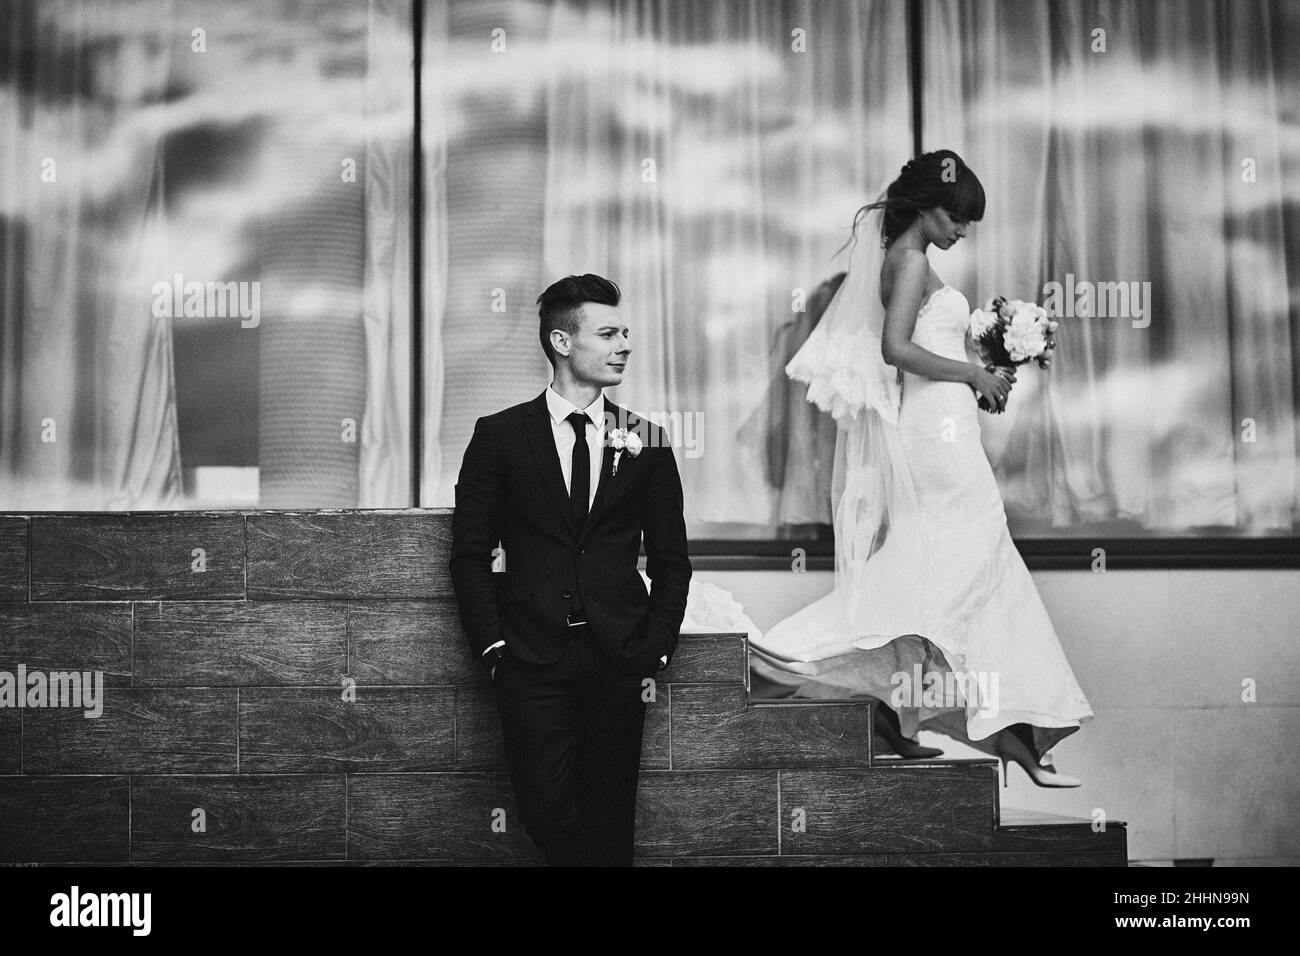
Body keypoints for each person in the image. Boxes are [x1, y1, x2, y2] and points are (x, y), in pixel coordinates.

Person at [750, 151, 1093, 788]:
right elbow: (896, 349)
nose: (962, 229)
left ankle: (918, 713)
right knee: (967, 554)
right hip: (934, 432)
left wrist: (985, 356)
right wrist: (970, 371)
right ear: (921, 208)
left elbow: (924, 343)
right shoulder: (908, 260)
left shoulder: (915, 261)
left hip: (946, 422)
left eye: (967, 220)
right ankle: (986, 722)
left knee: (948, 560)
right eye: (954, 216)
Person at [449, 273, 692, 864]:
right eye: (607, 333)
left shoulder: (647, 440)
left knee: (611, 816)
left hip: (619, 656)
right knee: (544, 808)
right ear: (562, 342)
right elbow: (469, 554)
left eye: (625, 333)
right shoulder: (500, 436)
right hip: (530, 658)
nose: (624, 346)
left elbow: (671, 560)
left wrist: (655, 647)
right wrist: (493, 648)